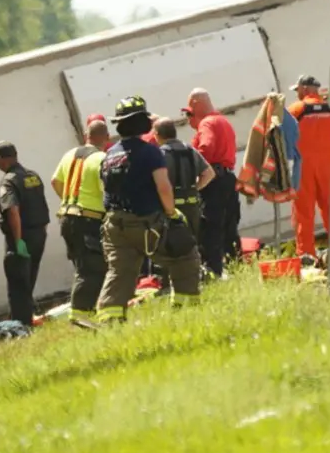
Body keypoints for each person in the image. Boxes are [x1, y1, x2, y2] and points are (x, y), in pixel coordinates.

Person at [95, 97, 201, 321]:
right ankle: (186, 310)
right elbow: (164, 187)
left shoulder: (110, 155)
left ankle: (109, 321)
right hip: (145, 222)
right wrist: (172, 214)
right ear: (141, 122)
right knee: (185, 256)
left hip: (115, 225)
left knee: (120, 272)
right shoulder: (150, 152)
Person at [288, 75, 330, 265]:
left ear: (306, 90)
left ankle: (306, 255)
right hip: (328, 168)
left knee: (303, 213)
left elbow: (282, 139)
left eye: (298, 90)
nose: (297, 93)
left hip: (303, 169)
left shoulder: (295, 110)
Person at [51, 118, 110, 324]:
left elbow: (55, 181)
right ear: (107, 138)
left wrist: (69, 202)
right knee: (93, 266)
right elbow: (106, 192)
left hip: (67, 218)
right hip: (89, 219)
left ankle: (87, 311)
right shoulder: (102, 158)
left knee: (81, 264)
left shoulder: (70, 154)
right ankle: (81, 314)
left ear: (86, 136)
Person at [0, 141, 52, 327]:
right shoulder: (32, 176)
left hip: (22, 238)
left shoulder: (9, 181)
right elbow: (41, 206)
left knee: (18, 285)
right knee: (28, 281)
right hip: (39, 235)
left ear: (1, 159)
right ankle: (25, 320)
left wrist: (18, 241)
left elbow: (12, 211)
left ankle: (21, 326)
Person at [183, 88, 241, 277]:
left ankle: (214, 270)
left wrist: (192, 169)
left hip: (213, 181)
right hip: (228, 178)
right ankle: (235, 264)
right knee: (230, 225)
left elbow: (205, 148)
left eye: (190, 111)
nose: (188, 118)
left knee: (211, 226)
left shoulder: (207, 123)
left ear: (197, 104)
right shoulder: (223, 121)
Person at [153, 117, 216, 291]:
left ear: (157, 135)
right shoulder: (189, 150)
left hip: (172, 208)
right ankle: (195, 281)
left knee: (169, 246)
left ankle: (169, 285)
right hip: (192, 206)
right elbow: (209, 173)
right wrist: (195, 188)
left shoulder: (160, 154)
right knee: (192, 245)